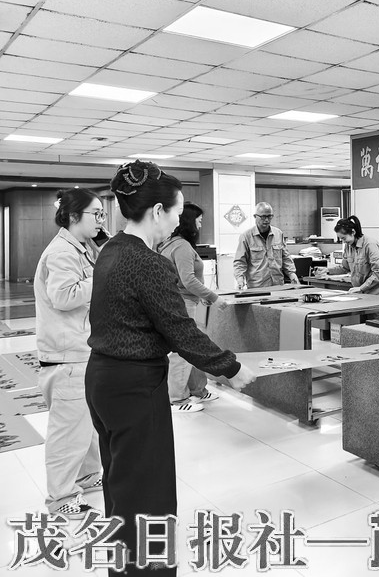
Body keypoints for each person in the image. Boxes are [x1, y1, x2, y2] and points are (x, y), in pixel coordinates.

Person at [85, 161, 256, 576]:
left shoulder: (112, 249)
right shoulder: (148, 261)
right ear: (158, 211)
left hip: (103, 378)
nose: (180, 222)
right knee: (149, 492)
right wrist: (231, 368)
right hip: (133, 386)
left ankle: (123, 566)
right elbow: (180, 329)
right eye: (178, 212)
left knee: (122, 484)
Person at [33, 188, 106, 518]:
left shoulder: (81, 248)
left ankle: (86, 476)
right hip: (66, 358)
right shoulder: (62, 252)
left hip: (78, 353)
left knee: (84, 425)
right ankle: (61, 498)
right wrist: (103, 276)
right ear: (74, 216)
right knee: (68, 434)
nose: (101, 220)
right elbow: (64, 297)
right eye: (96, 213)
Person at [158, 202, 226, 413]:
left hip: (184, 301)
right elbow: (188, 280)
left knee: (194, 347)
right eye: (199, 221)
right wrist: (213, 297)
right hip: (184, 304)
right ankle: (176, 399)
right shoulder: (182, 246)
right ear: (189, 221)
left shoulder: (172, 244)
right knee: (183, 351)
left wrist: (201, 296)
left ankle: (198, 389)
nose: (200, 225)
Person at [233, 202, 298, 289]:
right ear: (255, 216)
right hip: (257, 287)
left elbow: (285, 257)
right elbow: (240, 261)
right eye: (263, 217)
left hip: (278, 285)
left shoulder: (278, 234)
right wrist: (240, 280)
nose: (267, 220)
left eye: (269, 216)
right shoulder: (246, 236)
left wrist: (292, 274)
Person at [317, 215, 379, 295]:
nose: (343, 241)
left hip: (376, 294)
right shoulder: (348, 246)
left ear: (353, 232)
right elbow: (345, 268)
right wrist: (327, 270)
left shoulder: (370, 245)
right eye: (341, 239)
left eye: (344, 238)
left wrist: (361, 288)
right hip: (360, 293)